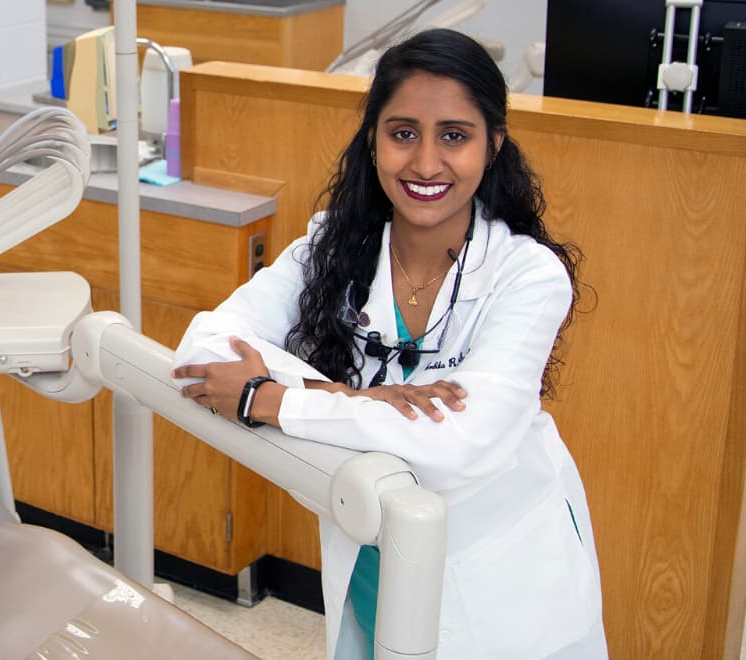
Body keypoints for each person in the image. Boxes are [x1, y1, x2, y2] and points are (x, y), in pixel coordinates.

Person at [171, 29, 606, 659]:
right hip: (371, 552)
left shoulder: (528, 275)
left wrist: (272, 400)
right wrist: (357, 398)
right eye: (403, 133)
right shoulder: (329, 246)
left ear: (494, 146)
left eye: (454, 136)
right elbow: (203, 355)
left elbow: (456, 447)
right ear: (373, 140)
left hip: (500, 571)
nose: (426, 163)